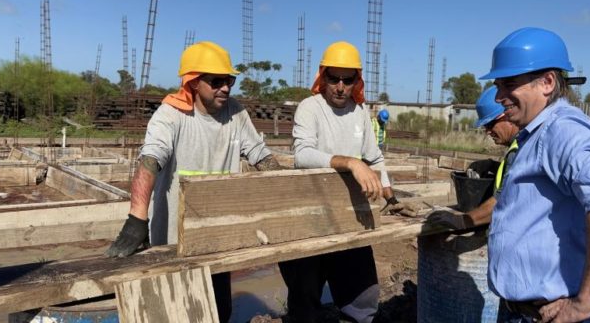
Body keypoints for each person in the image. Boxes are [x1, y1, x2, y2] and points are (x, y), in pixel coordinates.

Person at [104, 41, 281, 323]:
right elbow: (150, 161)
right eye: (216, 81)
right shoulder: (171, 115)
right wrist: (137, 218)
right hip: (173, 244)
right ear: (194, 82)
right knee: (172, 313)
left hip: (218, 241)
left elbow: (261, 157)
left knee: (217, 312)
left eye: (229, 81)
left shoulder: (235, 113)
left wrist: (286, 193)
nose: (225, 87)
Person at [480, 27, 590, 322]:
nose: (499, 96)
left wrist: (585, 303)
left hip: (554, 315)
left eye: (509, 84)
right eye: (498, 85)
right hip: (524, 312)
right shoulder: (534, 135)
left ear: (547, 82)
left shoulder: (563, 131)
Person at [279, 41, 409, 323]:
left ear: (356, 81)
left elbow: (374, 158)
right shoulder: (310, 108)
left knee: (362, 300)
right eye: (333, 78)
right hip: (309, 221)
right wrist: (351, 162)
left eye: (347, 80)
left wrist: (391, 198)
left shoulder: (360, 112)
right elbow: (302, 154)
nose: (340, 86)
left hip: (352, 219)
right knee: (304, 303)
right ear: (322, 77)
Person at [427, 85, 519, 230]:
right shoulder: (519, 145)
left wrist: (462, 221)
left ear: (508, 115)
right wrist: (492, 165)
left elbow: (503, 201)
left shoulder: (521, 149)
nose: (488, 132)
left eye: (490, 125)